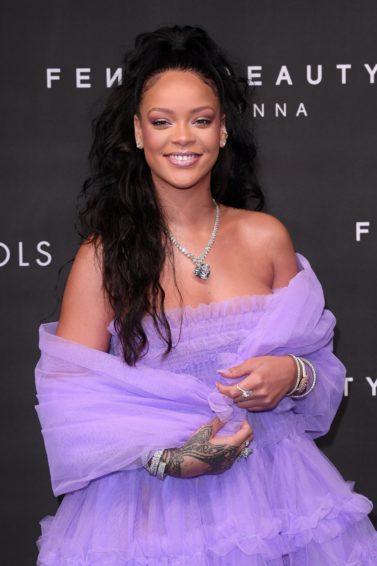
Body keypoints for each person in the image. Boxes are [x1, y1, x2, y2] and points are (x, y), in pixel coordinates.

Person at [35, 24, 377, 564]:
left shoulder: (267, 238)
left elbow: (322, 373)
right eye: (162, 121)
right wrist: (171, 460)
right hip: (147, 513)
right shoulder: (102, 259)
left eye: (201, 120)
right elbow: (72, 414)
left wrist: (293, 373)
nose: (183, 138)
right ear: (138, 133)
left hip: (278, 501)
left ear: (222, 132)